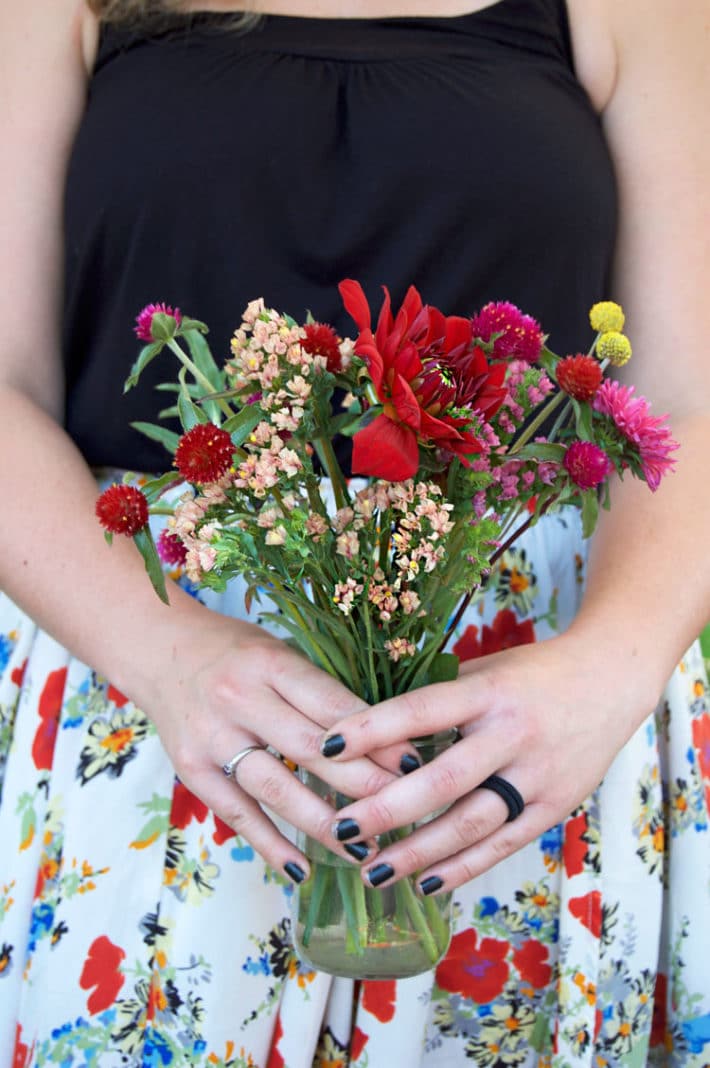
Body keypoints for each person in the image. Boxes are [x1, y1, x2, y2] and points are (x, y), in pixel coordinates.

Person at [0, 0, 708, 1065]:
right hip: (154, 684)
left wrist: (607, 665)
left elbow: (688, 401)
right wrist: (167, 657)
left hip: (525, 727)